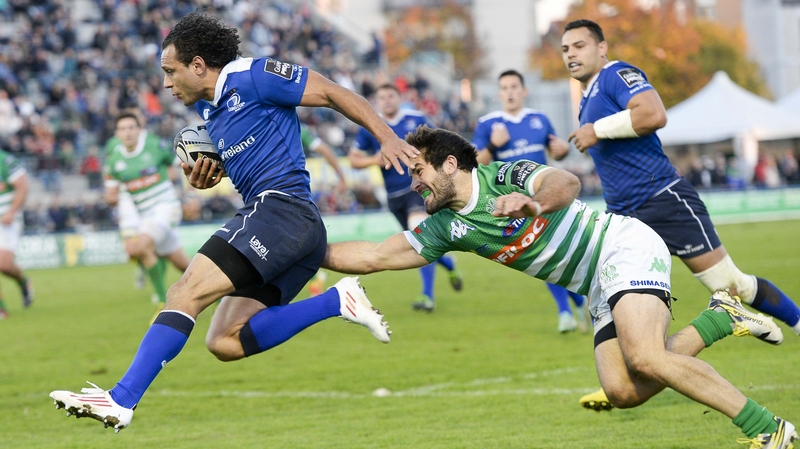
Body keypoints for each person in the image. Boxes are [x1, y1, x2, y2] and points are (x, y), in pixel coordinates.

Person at [49, 11, 417, 432]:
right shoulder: (213, 114)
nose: (167, 83)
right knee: (224, 341)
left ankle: (121, 398)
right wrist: (211, 174)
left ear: (199, 65)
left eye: (171, 72)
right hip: (294, 228)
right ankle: (335, 301)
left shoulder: (255, 75)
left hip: (281, 211)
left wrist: (386, 136)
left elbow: (332, 93)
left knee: (184, 291)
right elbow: (251, 155)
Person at [324, 126, 796, 448]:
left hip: (622, 247)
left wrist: (533, 203)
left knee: (646, 357)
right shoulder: (446, 227)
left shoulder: (502, 176)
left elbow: (565, 181)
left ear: (450, 164)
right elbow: (373, 256)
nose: (414, 184)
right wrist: (303, 251)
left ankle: (770, 429)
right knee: (624, 391)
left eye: (419, 172)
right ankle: (720, 317)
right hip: (597, 282)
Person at [559, 19, 800, 413]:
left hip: (664, 201)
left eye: (580, 46)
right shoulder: (585, 99)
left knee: (730, 285)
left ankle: (788, 320)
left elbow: (654, 114)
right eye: (566, 49)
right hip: (626, 221)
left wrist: (596, 131)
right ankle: (619, 381)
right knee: (612, 296)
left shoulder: (617, 74)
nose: (571, 54)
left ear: (601, 49)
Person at [473, 69, 588, 333]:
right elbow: (477, 165)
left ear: (524, 91)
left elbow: (556, 153)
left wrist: (561, 151)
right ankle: (569, 310)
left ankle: (576, 305)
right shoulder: (489, 124)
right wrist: (492, 144)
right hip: (513, 205)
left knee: (559, 253)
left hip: (545, 197)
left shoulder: (539, 119)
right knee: (544, 254)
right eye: (505, 88)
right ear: (499, 94)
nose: (510, 92)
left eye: (515, 87)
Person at [349, 83, 462, 312]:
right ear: (377, 101)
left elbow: (440, 142)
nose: (387, 100)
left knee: (418, 234)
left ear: (398, 98)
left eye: (391, 95)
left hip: (417, 190)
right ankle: (449, 264)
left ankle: (427, 296)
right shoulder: (372, 126)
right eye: (382, 97)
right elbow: (353, 159)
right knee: (416, 241)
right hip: (393, 196)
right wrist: (375, 160)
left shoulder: (415, 119)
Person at [104, 111, 191, 322]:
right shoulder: (114, 160)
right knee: (183, 265)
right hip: (146, 216)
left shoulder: (154, 146)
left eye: (131, 128)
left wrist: (188, 196)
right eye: (122, 129)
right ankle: (218, 297)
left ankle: (163, 302)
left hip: (166, 208)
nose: (127, 133)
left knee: (140, 247)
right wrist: (112, 197)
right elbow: (111, 195)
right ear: (116, 133)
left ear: (139, 130)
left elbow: (179, 166)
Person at [0, 149, 32, 319]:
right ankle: (2, 309)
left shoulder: (5, 161)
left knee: (4, 265)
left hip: (7, 221)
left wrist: (11, 212)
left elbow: (23, 187)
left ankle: (23, 281)